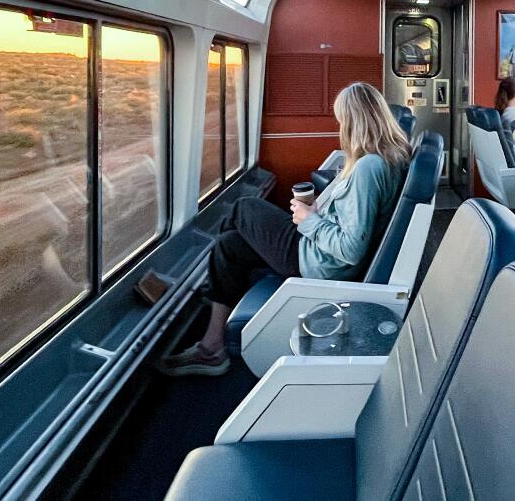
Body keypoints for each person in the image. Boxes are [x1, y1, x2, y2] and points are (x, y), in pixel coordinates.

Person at [161, 82, 411, 375]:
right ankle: (212, 348)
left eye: (342, 120)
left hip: (319, 262)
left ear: (354, 120)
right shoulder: (389, 156)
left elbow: (351, 249)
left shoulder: (369, 168)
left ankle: (206, 294)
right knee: (228, 245)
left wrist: (309, 219)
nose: (340, 127)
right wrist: (319, 210)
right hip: (318, 250)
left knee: (244, 208)